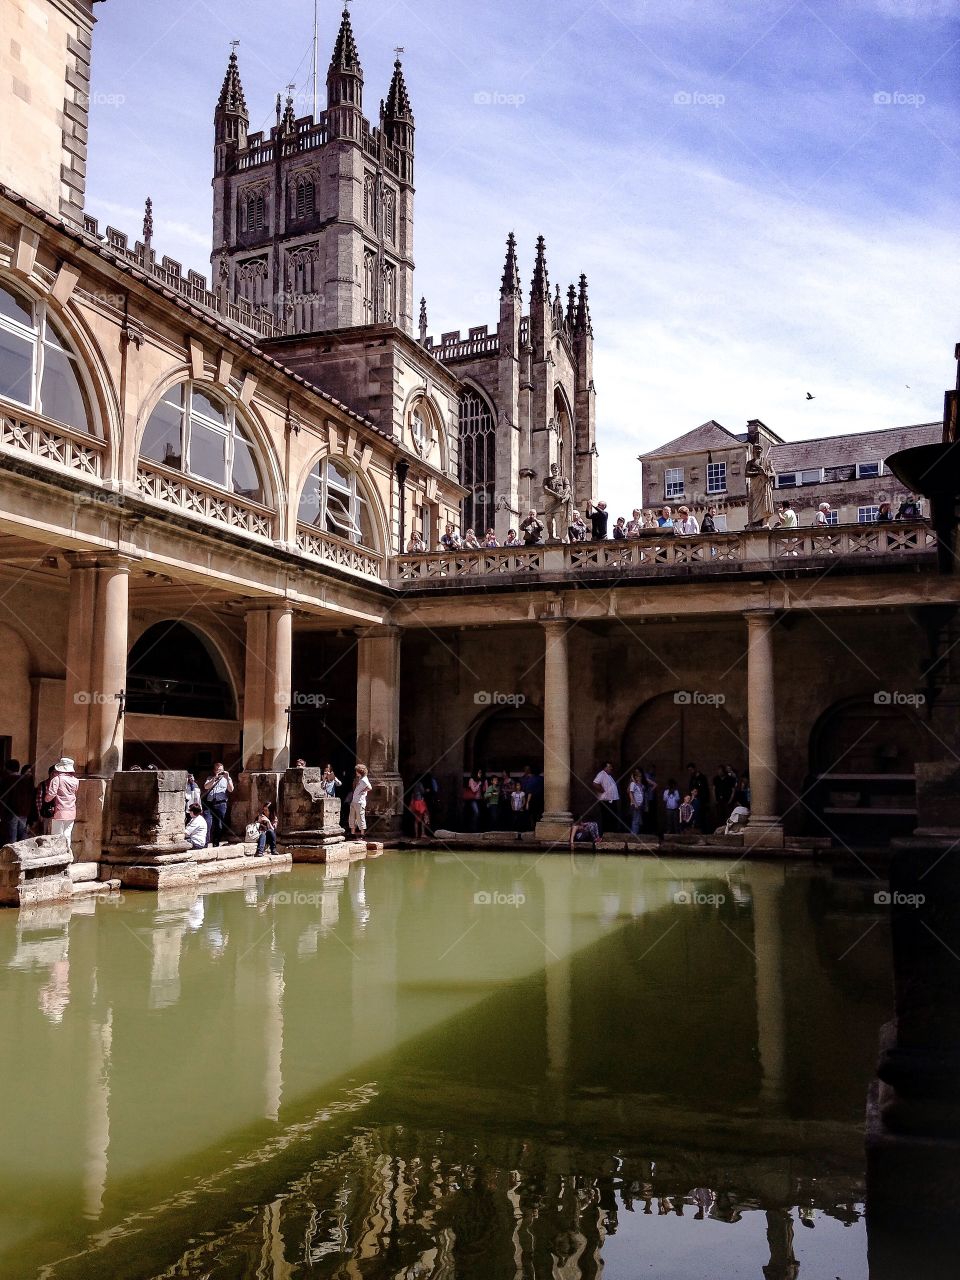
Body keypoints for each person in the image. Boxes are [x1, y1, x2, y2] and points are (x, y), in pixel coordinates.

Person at [44, 757, 79, 846]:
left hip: (59, 810)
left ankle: (57, 853)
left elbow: (51, 794)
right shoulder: (75, 780)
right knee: (67, 835)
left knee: (56, 836)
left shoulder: (57, 779)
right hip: (71, 811)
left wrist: (46, 800)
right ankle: (67, 852)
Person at [202, 761, 234, 847]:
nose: (219, 772)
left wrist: (227, 777)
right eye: (217, 770)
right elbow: (206, 786)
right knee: (207, 823)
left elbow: (231, 789)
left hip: (221, 804)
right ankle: (205, 843)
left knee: (218, 824)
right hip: (209, 803)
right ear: (214, 770)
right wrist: (214, 779)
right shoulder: (210, 778)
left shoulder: (227, 779)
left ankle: (216, 843)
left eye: (221, 770)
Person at [542, 461, 573, 541]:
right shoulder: (546, 480)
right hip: (549, 501)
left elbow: (568, 488)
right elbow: (545, 489)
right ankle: (550, 536)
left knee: (558, 519)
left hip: (559, 502)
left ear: (559, 469)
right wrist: (556, 495)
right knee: (548, 520)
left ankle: (558, 536)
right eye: (552, 469)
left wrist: (563, 496)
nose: (554, 470)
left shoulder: (564, 479)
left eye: (556, 468)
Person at [0, 758, 26, 845]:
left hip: (11, 812)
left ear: (7, 768)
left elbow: (4, 798)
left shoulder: (7, 780)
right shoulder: (26, 779)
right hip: (24, 812)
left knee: (11, 837)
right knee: (22, 836)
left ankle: (12, 853)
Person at [592, 761, 621, 834]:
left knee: (612, 817)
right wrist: (602, 790)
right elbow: (595, 783)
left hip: (611, 800)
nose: (611, 768)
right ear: (605, 768)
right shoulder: (601, 774)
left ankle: (611, 832)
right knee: (607, 817)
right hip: (606, 801)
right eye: (609, 766)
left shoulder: (609, 775)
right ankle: (606, 833)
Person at [349, 763, 372, 836]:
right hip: (354, 800)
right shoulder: (360, 779)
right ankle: (352, 833)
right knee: (352, 817)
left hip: (360, 802)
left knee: (360, 818)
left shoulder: (364, 780)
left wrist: (362, 791)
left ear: (360, 771)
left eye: (357, 771)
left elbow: (370, 787)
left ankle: (362, 834)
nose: (356, 772)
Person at [628, 768, 646, 836]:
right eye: (638, 776)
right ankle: (633, 834)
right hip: (635, 805)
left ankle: (636, 833)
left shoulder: (641, 785)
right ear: (635, 777)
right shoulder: (633, 784)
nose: (640, 778)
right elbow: (631, 793)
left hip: (640, 805)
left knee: (638, 820)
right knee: (635, 820)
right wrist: (635, 803)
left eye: (641, 776)